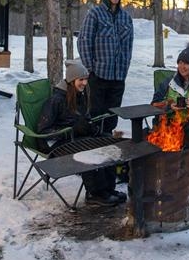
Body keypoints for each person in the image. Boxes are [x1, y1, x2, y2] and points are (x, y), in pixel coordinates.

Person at [38, 60, 126, 207]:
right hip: (55, 145)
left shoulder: (80, 96)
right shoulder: (56, 100)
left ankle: (108, 190)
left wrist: (92, 129)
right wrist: (71, 131)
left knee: (108, 141)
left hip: (76, 138)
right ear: (72, 80)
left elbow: (84, 120)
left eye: (86, 79)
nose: (85, 83)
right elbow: (44, 132)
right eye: (81, 80)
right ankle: (94, 193)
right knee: (89, 151)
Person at [77, 0, 134, 134]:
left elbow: (128, 46)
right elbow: (83, 41)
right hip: (99, 75)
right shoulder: (95, 14)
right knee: (96, 115)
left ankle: (108, 143)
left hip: (118, 77)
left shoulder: (126, 18)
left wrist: (124, 68)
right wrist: (91, 68)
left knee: (112, 117)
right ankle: (95, 144)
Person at [150, 40, 189, 148]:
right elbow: (154, 104)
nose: (182, 66)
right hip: (170, 120)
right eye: (180, 62)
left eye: (186, 63)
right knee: (153, 130)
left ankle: (186, 159)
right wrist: (169, 106)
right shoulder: (168, 82)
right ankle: (166, 159)